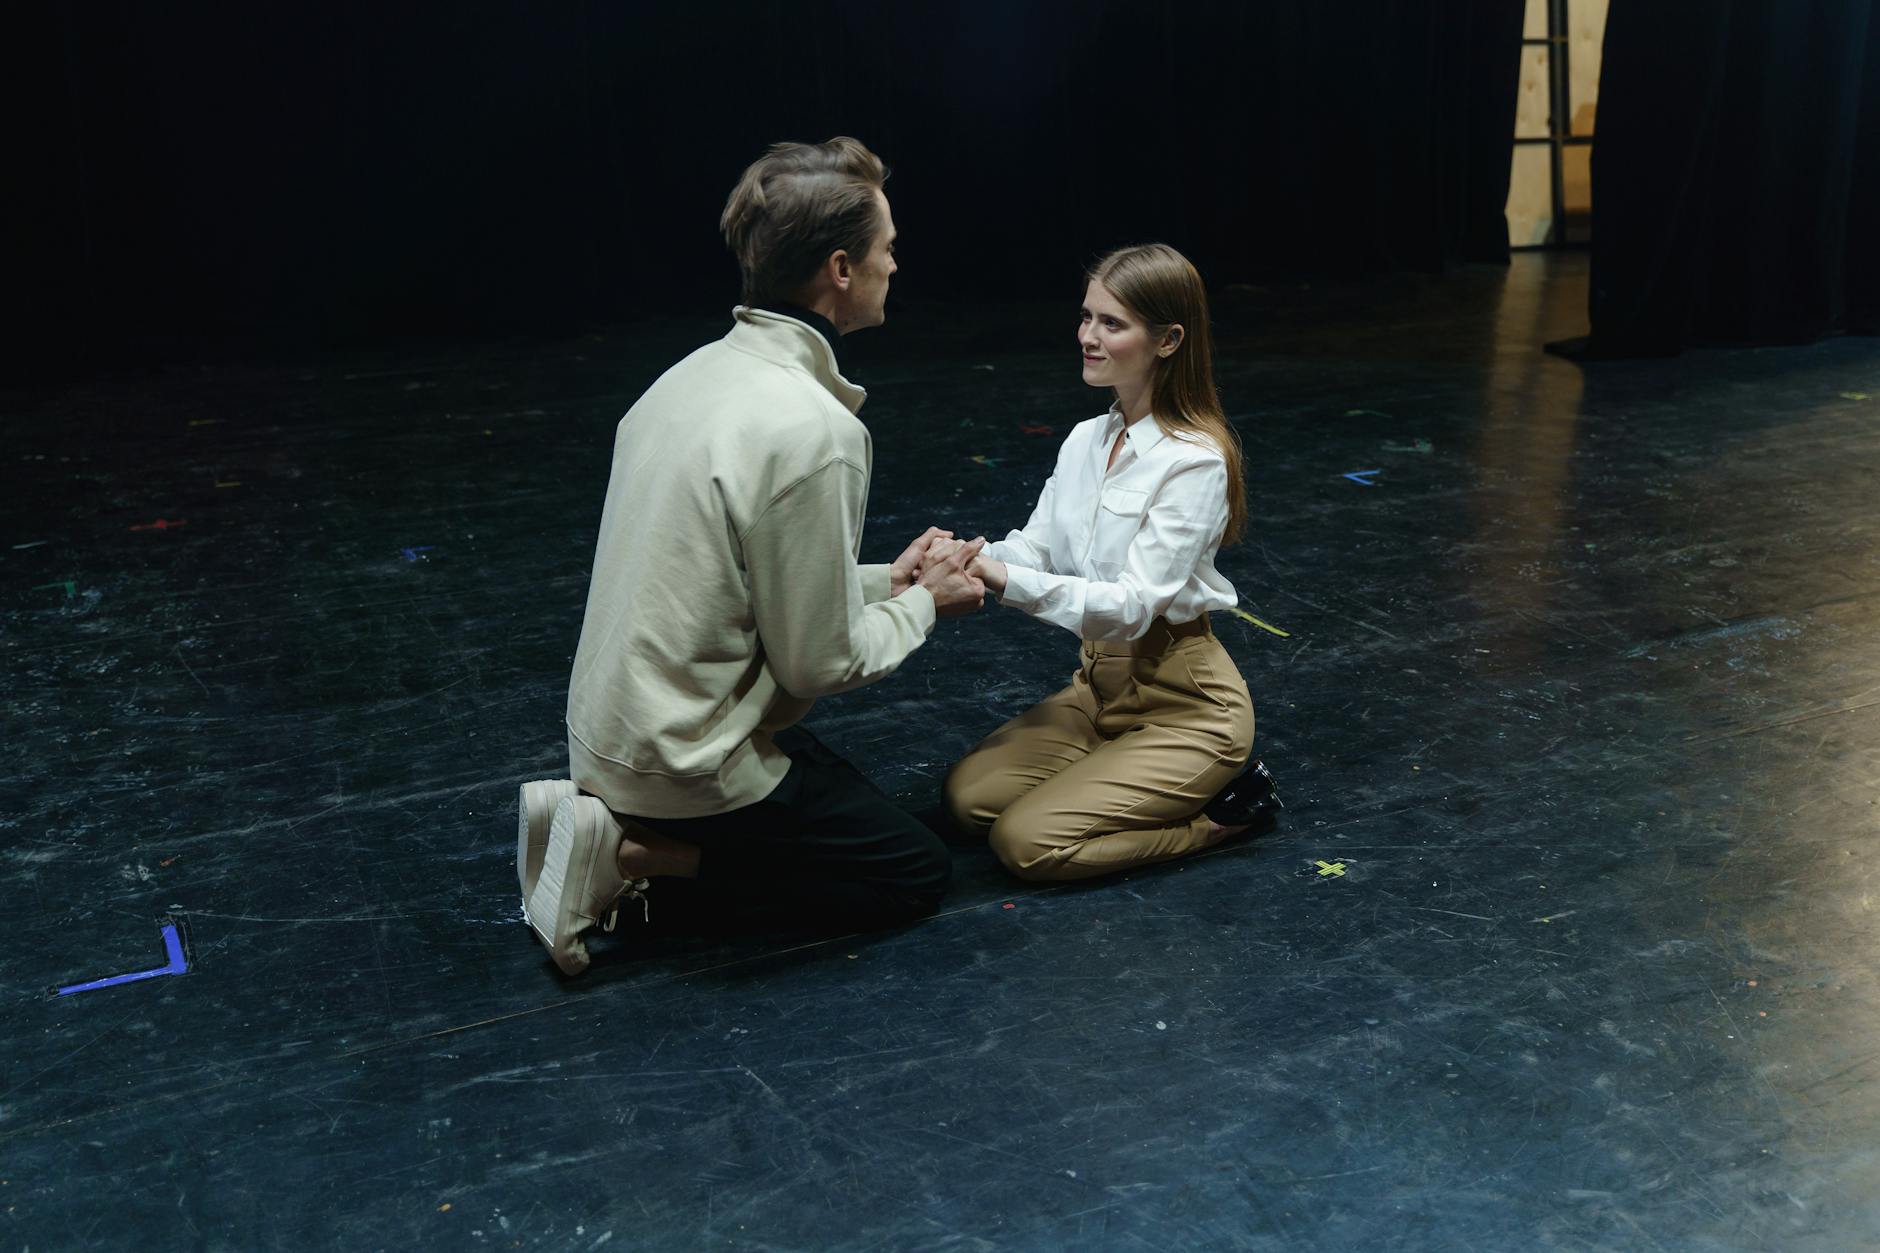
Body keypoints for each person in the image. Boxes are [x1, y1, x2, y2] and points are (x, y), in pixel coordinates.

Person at [517, 137, 987, 975]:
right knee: (911, 870)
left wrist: (891, 577)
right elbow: (817, 661)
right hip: (678, 755)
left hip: (611, 731)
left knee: (832, 786)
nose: (893, 264)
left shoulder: (688, 376)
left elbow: (740, 583)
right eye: (886, 250)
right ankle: (631, 857)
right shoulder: (815, 431)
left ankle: (617, 823)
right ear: (841, 268)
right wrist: (925, 606)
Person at [935, 243, 1282, 882]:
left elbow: (1130, 608)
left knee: (1026, 844)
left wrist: (1003, 578)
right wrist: (967, 555)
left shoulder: (1193, 460)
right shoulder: (1084, 439)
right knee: (967, 804)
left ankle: (1219, 817)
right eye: (1086, 317)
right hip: (1098, 691)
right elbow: (1036, 548)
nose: (1087, 337)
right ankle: (1114, 778)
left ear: (1169, 339)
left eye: (1111, 324)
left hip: (1185, 702)